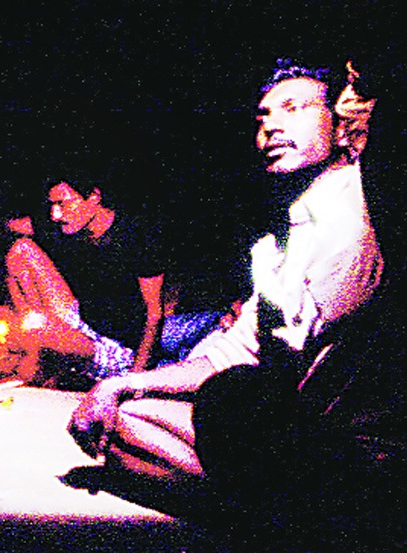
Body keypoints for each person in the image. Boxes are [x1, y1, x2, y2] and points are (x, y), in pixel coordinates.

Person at [68, 58, 404, 550]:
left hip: (357, 451)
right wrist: (122, 382)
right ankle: (277, 512)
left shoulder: (373, 196)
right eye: (263, 116)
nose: (272, 126)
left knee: (229, 400)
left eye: (294, 108)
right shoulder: (287, 232)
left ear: (340, 125)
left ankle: (317, 518)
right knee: (121, 421)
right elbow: (232, 352)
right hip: (281, 438)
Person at [0, 171, 167, 387]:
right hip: (78, 324)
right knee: (21, 250)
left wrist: (136, 380)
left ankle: (33, 356)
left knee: (30, 327)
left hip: (116, 350)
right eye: (52, 205)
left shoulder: (136, 236)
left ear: (94, 197)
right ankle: (39, 353)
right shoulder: (60, 225)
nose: (55, 214)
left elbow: (155, 314)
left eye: (62, 204)